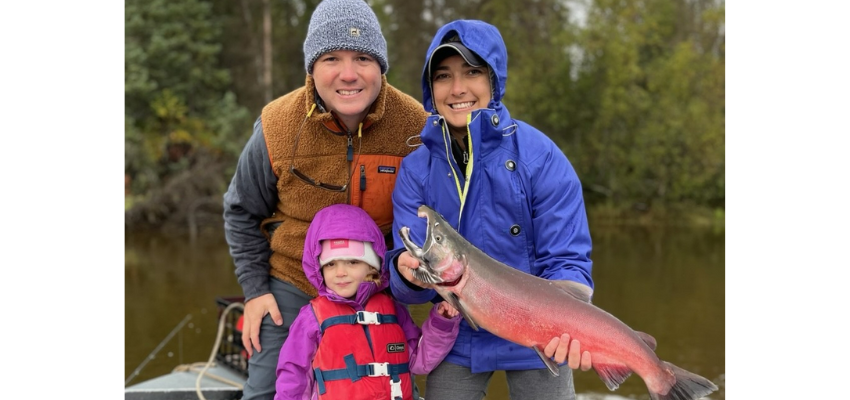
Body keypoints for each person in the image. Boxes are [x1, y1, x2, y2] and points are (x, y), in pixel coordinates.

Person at [222, 0, 430, 398]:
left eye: (363, 58)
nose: (348, 74)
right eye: (332, 58)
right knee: (266, 391)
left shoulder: (414, 126)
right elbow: (240, 211)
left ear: (381, 66)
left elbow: (434, 216)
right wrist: (255, 292)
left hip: (376, 282)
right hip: (292, 282)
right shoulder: (276, 124)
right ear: (311, 68)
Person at [387, 19, 594, 400]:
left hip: (542, 333)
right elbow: (408, 275)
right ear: (430, 89)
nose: (458, 88)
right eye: (444, 76)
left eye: (472, 72)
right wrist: (406, 274)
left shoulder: (541, 157)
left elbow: (568, 260)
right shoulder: (415, 169)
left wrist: (571, 326)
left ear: (494, 81)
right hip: (455, 333)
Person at [274, 204, 461, 400]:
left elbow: (420, 361)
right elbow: (293, 375)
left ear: (371, 265)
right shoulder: (311, 317)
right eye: (330, 264)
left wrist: (441, 324)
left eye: (352, 262)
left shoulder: (392, 309)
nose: (340, 272)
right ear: (319, 269)